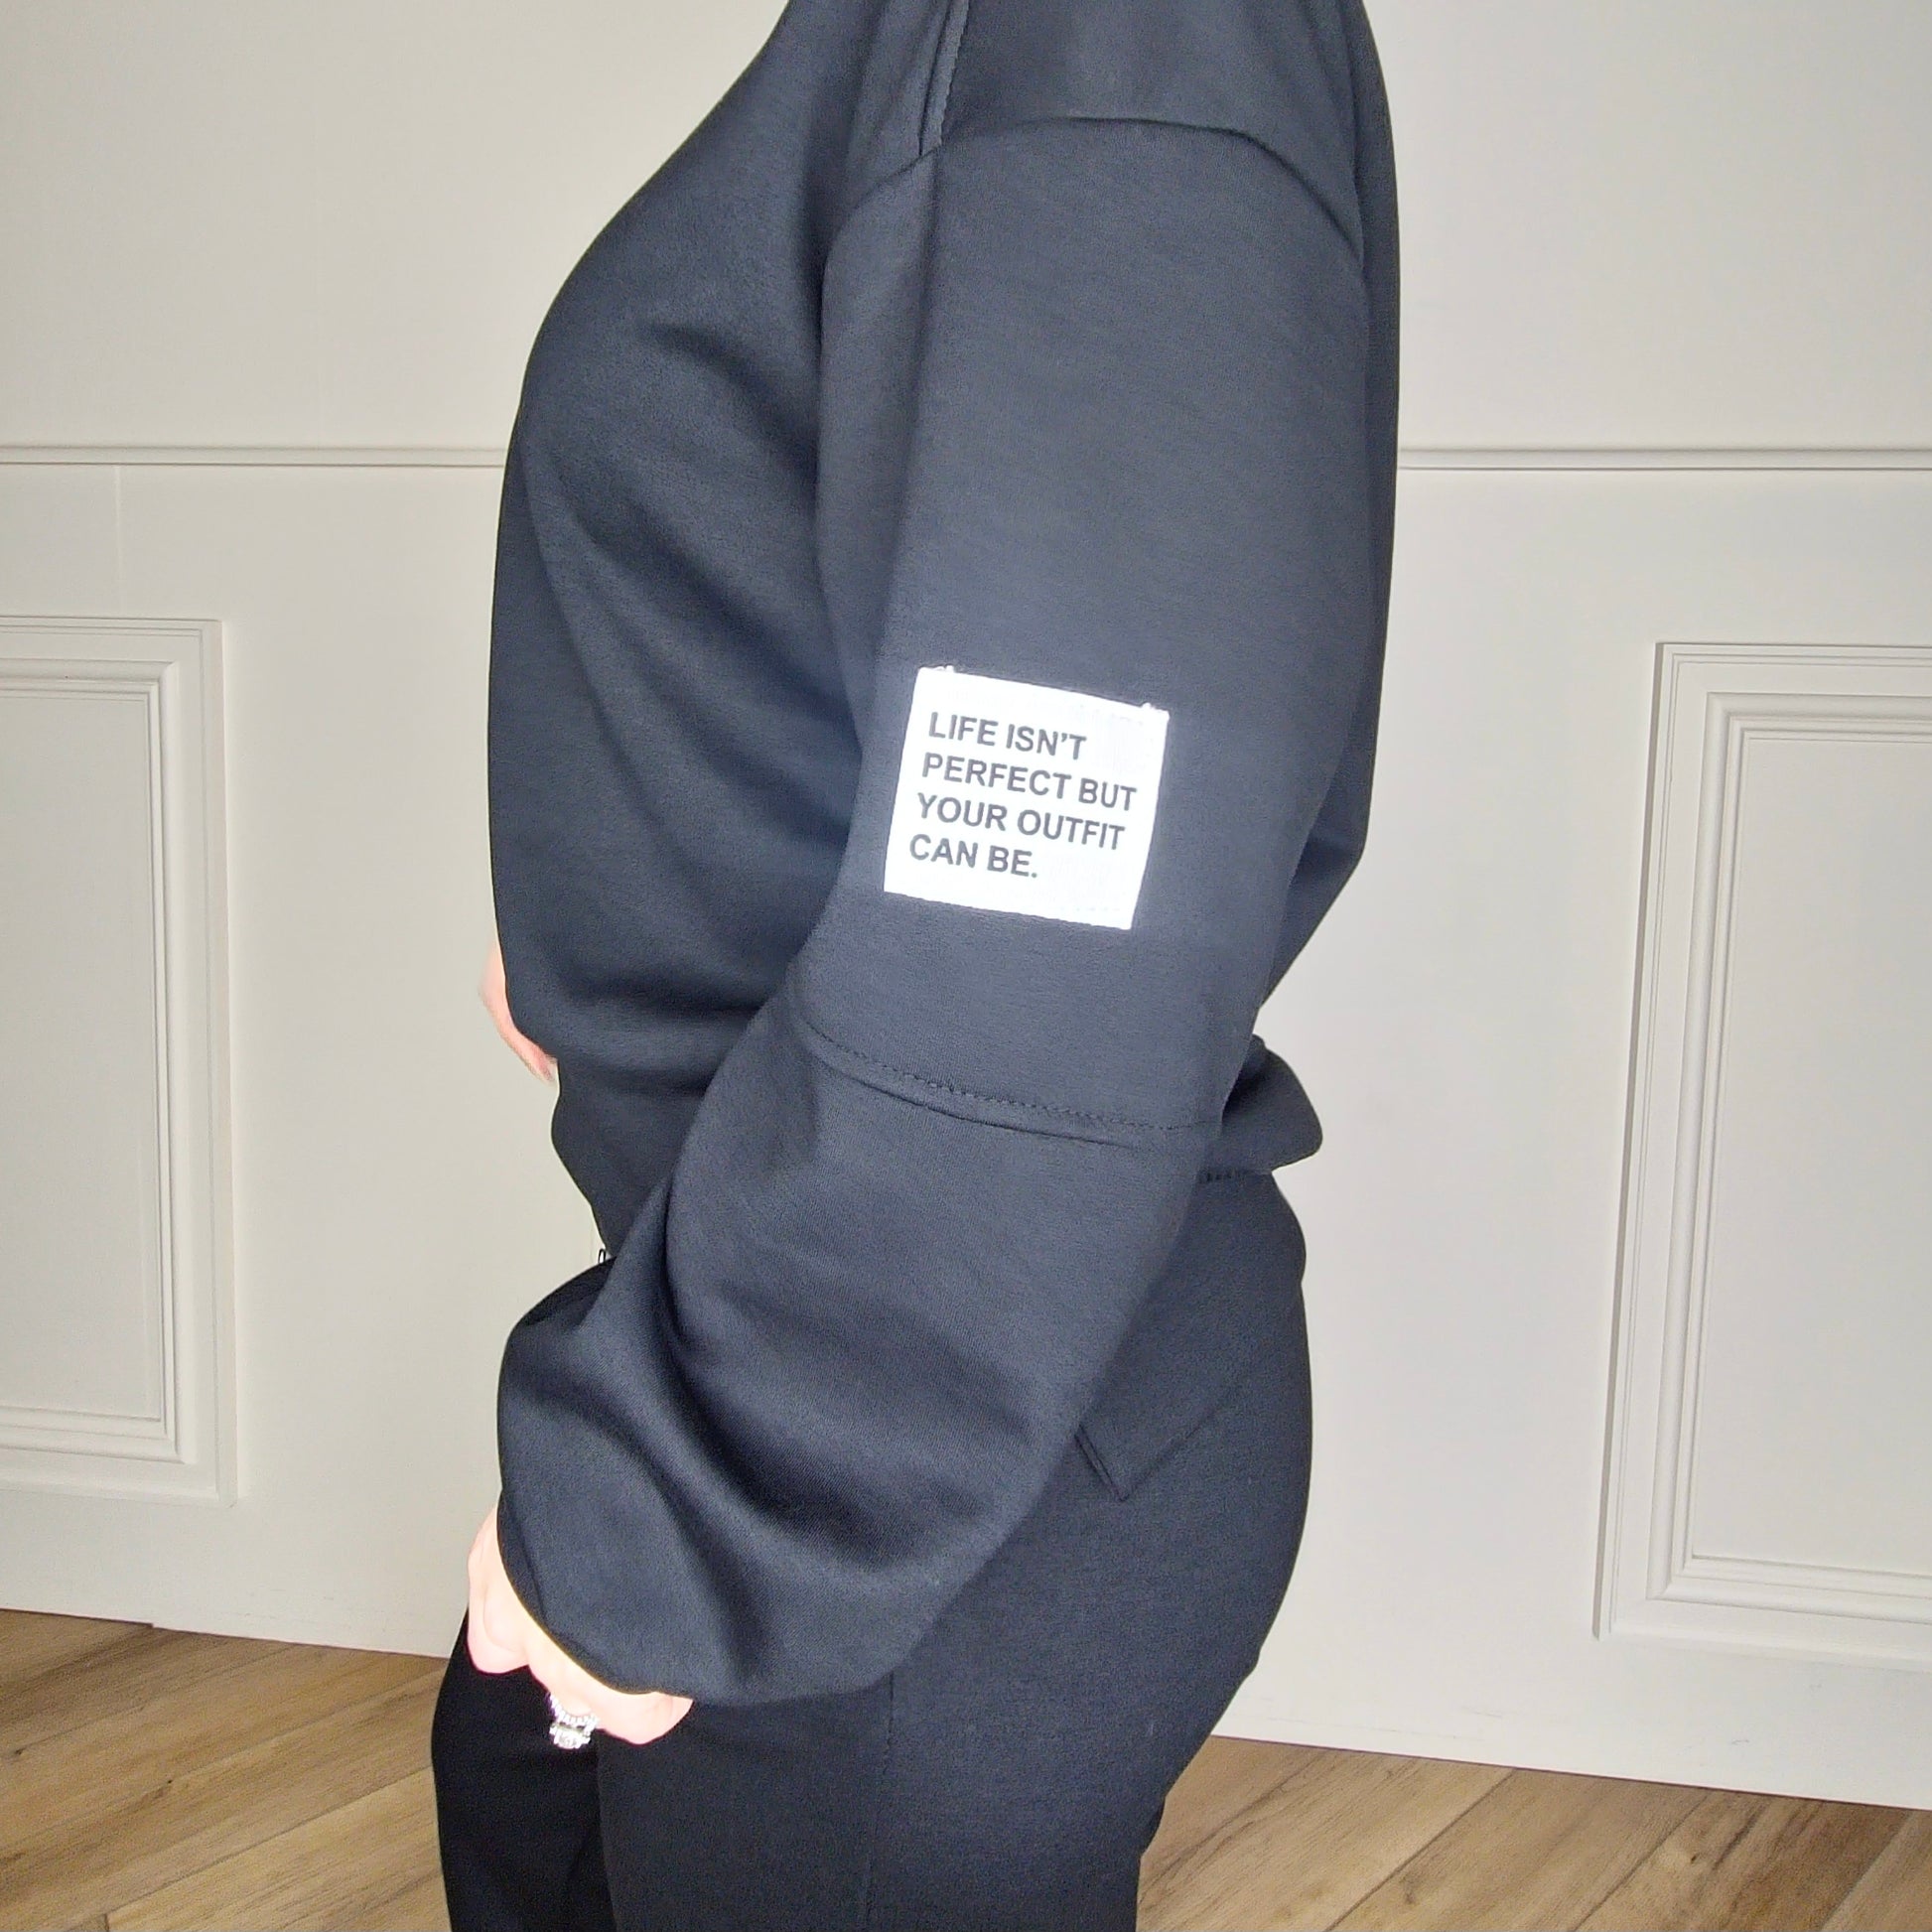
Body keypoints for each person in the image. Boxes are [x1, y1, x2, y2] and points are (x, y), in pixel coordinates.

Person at [429, 0, 1398, 1923]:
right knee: (514, 1792)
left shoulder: (1114, 42)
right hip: (871, 1352)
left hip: (911, 1424)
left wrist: (678, 1512)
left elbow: (1039, 924)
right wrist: (631, 906)